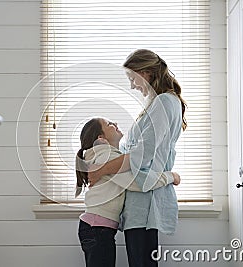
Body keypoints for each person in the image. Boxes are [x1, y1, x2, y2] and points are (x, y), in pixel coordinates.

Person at [88, 49, 187, 267]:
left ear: (147, 73)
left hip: (145, 201)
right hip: (139, 202)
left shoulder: (163, 102)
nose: (132, 85)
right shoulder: (158, 103)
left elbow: (142, 155)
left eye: (133, 78)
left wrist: (101, 170)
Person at [76, 117, 180, 267]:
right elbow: (137, 182)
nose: (116, 124)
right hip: (97, 230)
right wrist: (170, 177)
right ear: (101, 138)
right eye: (109, 124)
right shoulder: (105, 157)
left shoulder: (107, 155)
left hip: (98, 228)